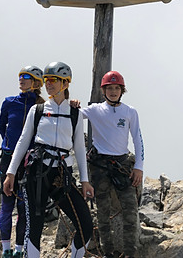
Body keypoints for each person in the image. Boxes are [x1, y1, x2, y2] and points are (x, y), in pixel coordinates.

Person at [3, 62, 94, 258]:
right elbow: (22, 141)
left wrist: (85, 181)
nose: (48, 84)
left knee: (85, 223)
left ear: (65, 83)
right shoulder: (37, 110)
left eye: (53, 80)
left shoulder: (75, 113)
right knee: (34, 227)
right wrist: (10, 173)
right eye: (46, 80)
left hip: (62, 174)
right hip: (36, 172)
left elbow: (79, 147)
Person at [74, 70, 144, 258]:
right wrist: (72, 105)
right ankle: (108, 253)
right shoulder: (95, 109)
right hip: (100, 166)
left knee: (130, 211)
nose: (113, 91)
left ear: (122, 90)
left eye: (117, 88)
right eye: (109, 88)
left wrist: (139, 167)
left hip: (122, 165)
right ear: (103, 90)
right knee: (103, 213)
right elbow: (72, 116)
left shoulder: (130, 112)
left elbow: (137, 138)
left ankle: (130, 253)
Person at [0, 66, 45, 258]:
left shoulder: (41, 106)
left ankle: (19, 250)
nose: (21, 79)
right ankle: (6, 250)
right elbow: (1, 126)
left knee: (24, 207)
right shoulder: (9, 102)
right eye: (20, 76)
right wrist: (9, 143)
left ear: (35, 82)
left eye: (26, 77)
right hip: (8, 158)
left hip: (29, 161)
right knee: (7, 204)